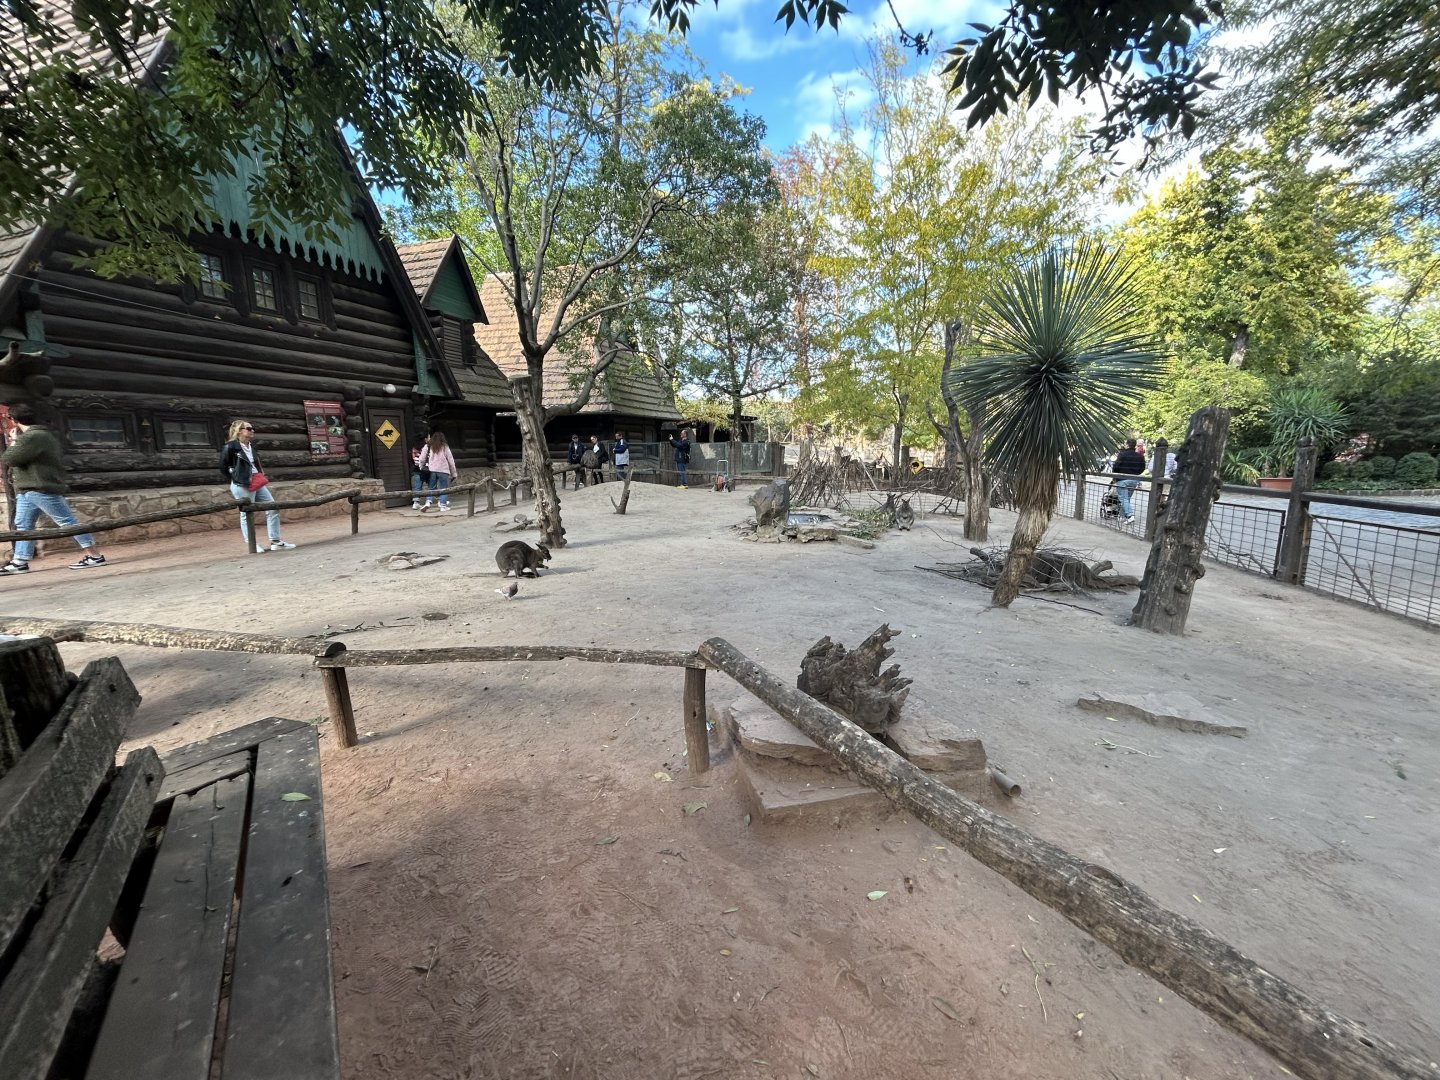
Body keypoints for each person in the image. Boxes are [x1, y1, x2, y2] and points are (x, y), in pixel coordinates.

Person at [1, 402, 108, 573]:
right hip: (29, 489)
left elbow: (10, 459)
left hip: (40, 487)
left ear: (13, 420)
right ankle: (19, 561)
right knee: (23, 525)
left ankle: (95, 556)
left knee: (67, 522)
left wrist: (13, 439)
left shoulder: (33, 437)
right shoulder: (43, 434)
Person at [218, 419, 296, 551]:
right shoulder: (231, 447)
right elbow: (223, 467)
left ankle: (276, 541)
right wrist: (237, 478)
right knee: (247, 513)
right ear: (239, 431)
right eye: (249, 428)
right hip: (242, 483)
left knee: (272, 507)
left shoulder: (251, 447)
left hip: (256, 481)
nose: (252, 430)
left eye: (252, 428)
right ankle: (252, 544)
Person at [418, 431, 457, 511]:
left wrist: (421, 467)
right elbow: (451, 460)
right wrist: (454, 473)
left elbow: (421, 459)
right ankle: (443, 506)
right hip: (443, 470)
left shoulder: (428, 446)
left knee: (431, 488)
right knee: (444, 488)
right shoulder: (445, 446)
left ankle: (428, 502)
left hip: (432, 470)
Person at [1110, 438, 1146, 523]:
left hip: (1122, 479)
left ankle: (1130, 515)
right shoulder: (1140, 456)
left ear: (1127, 445)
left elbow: (1115, 467)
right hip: (1134, 479)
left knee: (1124, 498)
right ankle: (1122, 516)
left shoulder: (1122, 455)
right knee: (1127, 499)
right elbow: (1142, 468)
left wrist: (1115, 477)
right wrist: (1136, 473)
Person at [409, 427, 430, 509]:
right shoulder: (425, 447)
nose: (429, 438)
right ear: (425, 438)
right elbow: (426, 458)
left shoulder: (414, 447)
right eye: (428, 437)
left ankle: (416, 502)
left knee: (417, 486)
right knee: (432, 485)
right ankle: (439, 500)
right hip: (425, 468)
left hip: (416, 468)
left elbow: (412, 458)